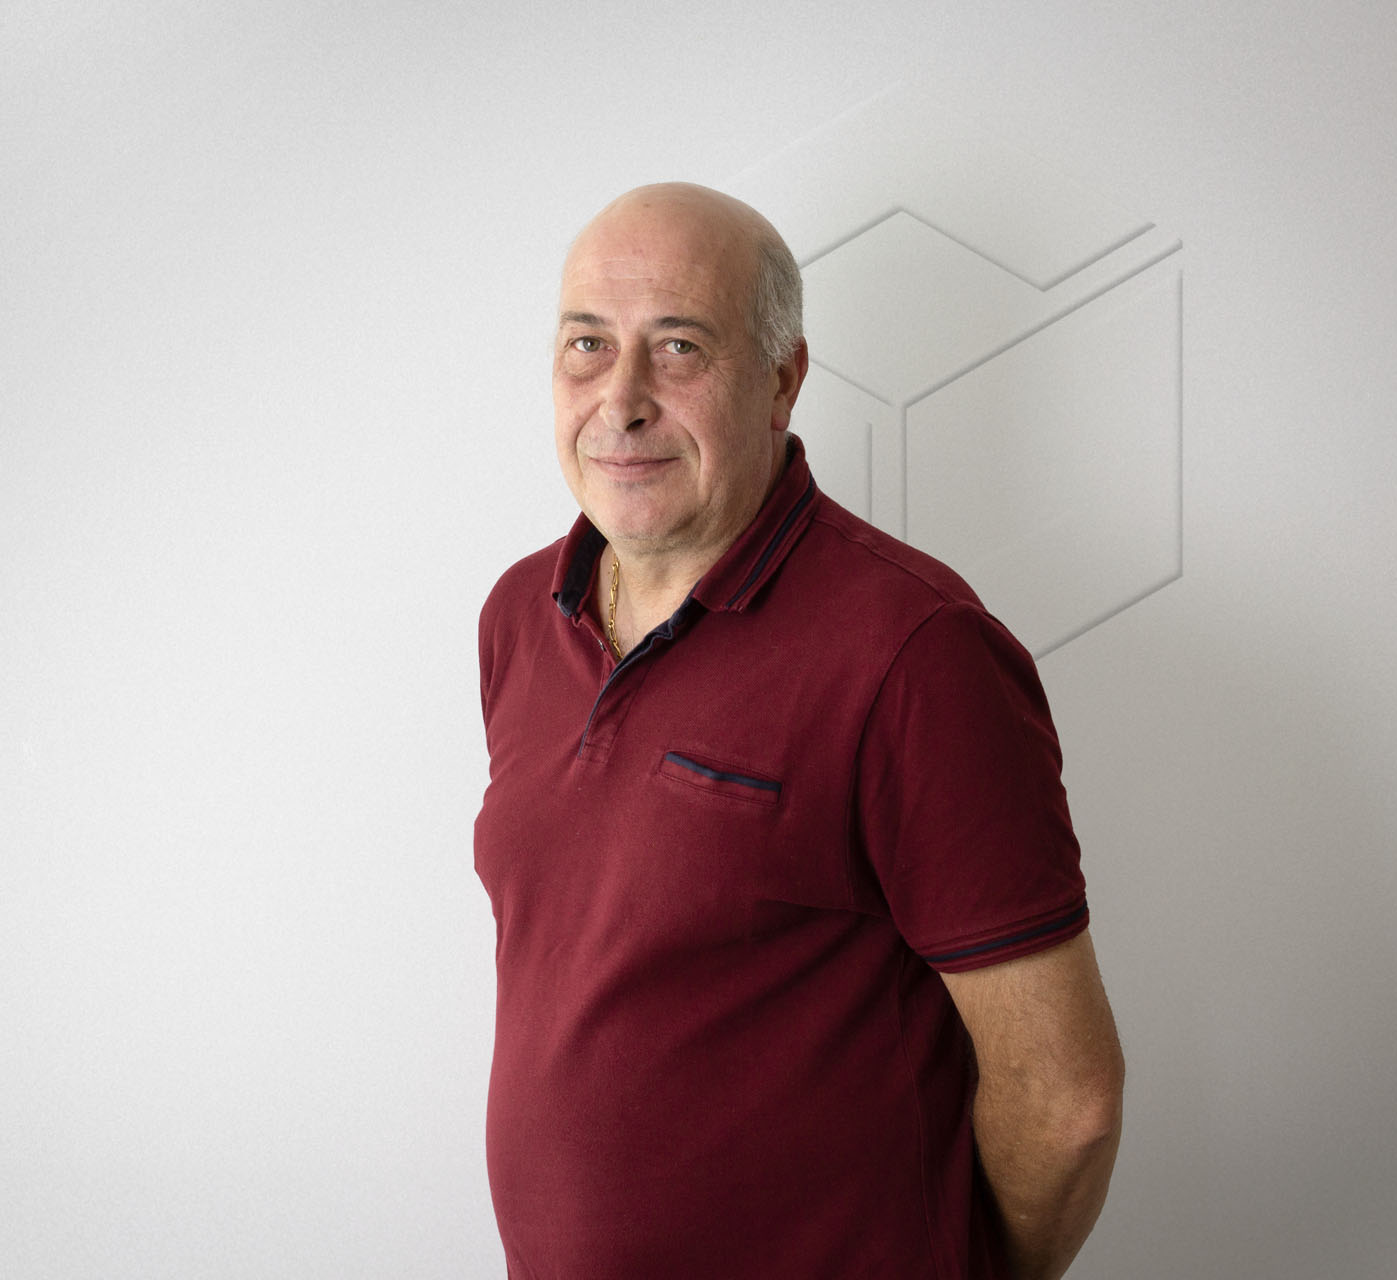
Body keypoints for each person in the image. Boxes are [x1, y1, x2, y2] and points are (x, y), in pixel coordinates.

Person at [473, 182, 1124, 1280]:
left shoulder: (914, 653)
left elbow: (1067, 1100)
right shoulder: (519, 615)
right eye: (588, 345)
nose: (621, 400)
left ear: (782, 378)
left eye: (678, 347)